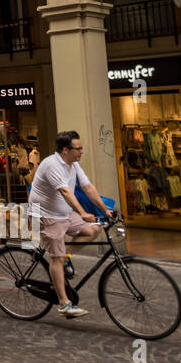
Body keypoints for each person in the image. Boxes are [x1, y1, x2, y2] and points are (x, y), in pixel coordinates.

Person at [30, 130, 113, 318]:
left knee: (92, 230)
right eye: (79, 148)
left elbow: (88, 188)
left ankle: (65, 256)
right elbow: (66, 192)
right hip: (47, 215)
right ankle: (64, 303)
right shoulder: (52, 165)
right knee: (56, 258)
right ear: (66, 150)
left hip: (65, 213)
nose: (82, 151)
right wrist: (83, 212)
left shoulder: (73, 164)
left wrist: (104, 210)